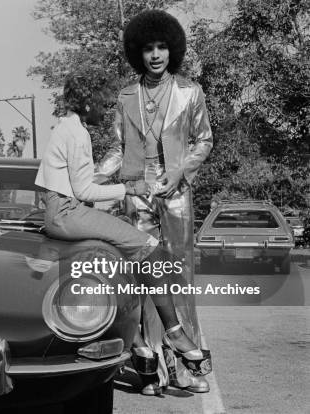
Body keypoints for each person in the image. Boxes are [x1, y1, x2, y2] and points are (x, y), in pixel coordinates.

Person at [36, 74, 212, 377]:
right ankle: (174, 332)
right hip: (69, 212)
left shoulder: (62, 129)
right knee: (151, 249)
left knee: (124, 255)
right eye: (101, 105)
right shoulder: (77, 133)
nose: (104, 112)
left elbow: (66, 183)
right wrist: (130, 189)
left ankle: (139, 342)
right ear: (87, 102)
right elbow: (84, 192)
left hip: (60, 212)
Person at [96, 10, 214, 395]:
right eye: (148, 48)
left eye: (162, 46)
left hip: (176, 195)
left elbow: (204, 141)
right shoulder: (125, 97)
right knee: (144, 280)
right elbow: (116, 148)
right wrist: (92, 180)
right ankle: (150, 369)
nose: (156, 54)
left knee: (178, 279)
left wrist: (180, 172)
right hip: (136, 195)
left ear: (172, 50)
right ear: (138, 53)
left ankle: (185, 368)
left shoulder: (190, 93)